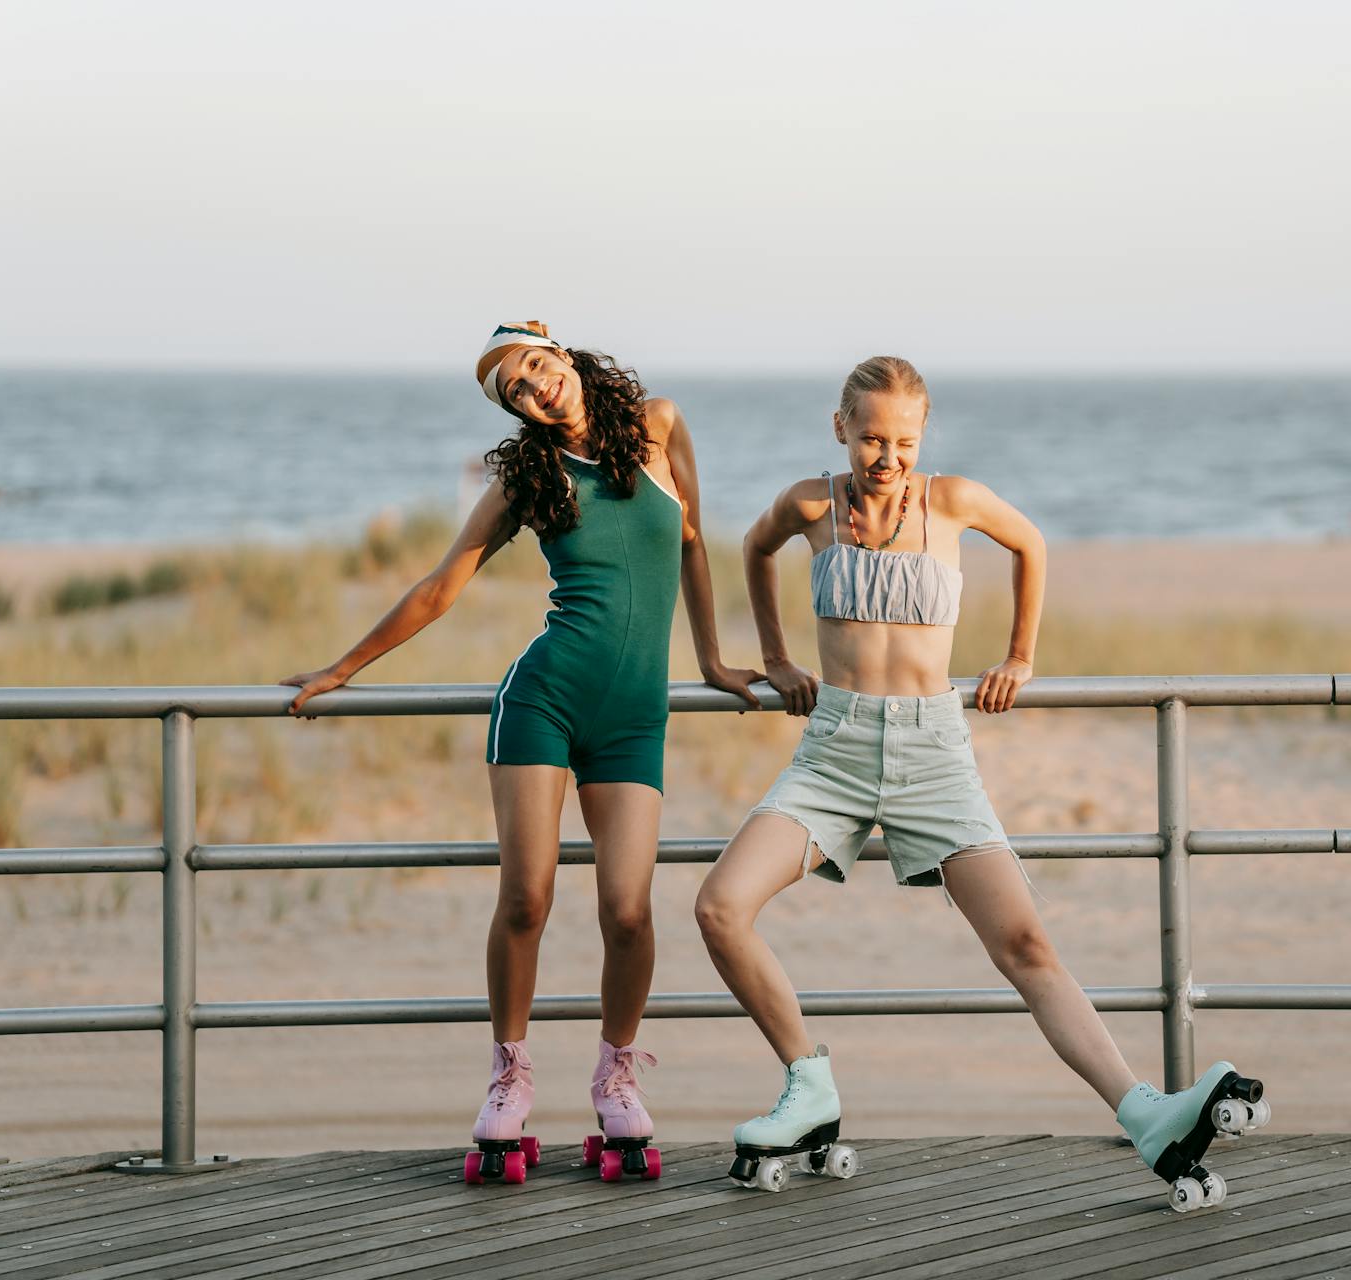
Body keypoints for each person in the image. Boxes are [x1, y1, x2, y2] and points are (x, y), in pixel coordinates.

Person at [693, 355, 1267, 1209]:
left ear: (922, 436)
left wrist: (1021, 656)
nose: (887, 456)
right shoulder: (812, 503)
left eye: (904, 440)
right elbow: (753, 546)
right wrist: (773, 656)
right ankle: (807, 1084)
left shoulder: (953, 498)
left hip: (933, 752)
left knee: (1026, 947)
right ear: (840, 427)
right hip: (836, 749)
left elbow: (1031, 543)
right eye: (871, 437)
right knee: (719, 907)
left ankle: (1144, 1111)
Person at [281, 322, 760, 1184]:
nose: (536, 388)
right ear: (520, 412)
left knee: (628, 912)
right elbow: (439, 586)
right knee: (526, 900)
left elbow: (693, 547)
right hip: (541, 702)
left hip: (634, 719)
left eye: (538, 368)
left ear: (566, 358)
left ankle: (616, 1073)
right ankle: (509, 1074)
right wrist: (340, 669)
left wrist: (712, 661)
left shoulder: (660, 424)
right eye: (516, 391)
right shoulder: (526, 479)